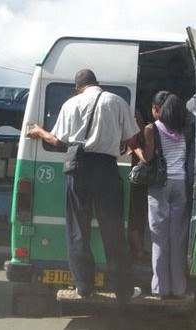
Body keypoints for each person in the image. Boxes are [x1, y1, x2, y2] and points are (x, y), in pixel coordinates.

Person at [27, 69, 141, 304]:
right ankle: (123, 290)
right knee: (113, 230)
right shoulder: (117, 101)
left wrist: (39, 132)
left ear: (78, 86)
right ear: (96, 83)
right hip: (106, 168)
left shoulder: (71, 104)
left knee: (78, 228)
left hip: (77, 168)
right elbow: (132, 140)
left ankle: (84, 286)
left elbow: (58, 141)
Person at [134, 91, 189, 298]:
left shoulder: (151, 129)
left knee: (159, 239)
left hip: (160, 185)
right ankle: (178, 287)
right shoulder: (184, 129)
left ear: (157, 110)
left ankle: (160, 288)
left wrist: (135, 147)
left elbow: (148, 158)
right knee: (177, 238)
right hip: (180, 184)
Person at [128, 110, 149, 260]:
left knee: (137, 213)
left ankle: (138, 249)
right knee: (136, 214)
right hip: (136, 178)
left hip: (138, 178)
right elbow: (146, 158)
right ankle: (138, 250)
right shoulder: (137, 118)